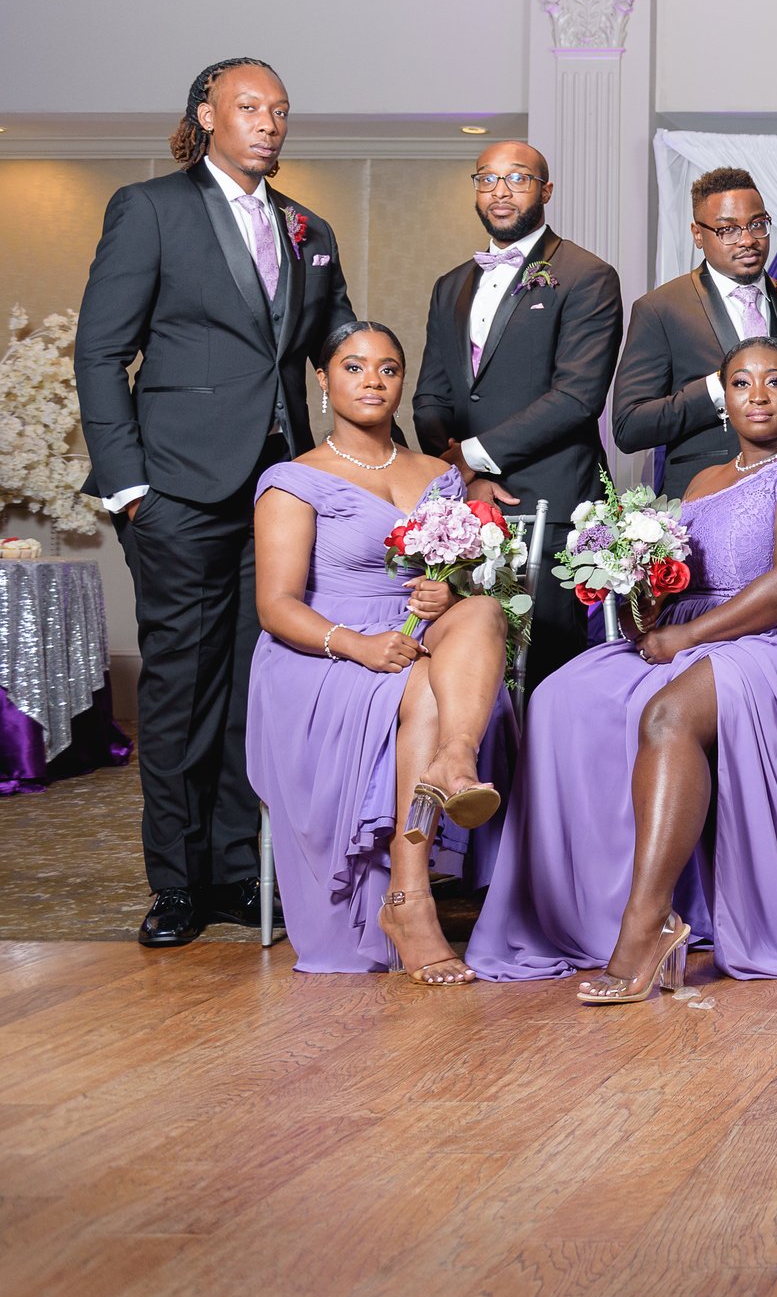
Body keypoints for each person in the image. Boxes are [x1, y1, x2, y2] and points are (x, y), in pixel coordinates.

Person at [468, 338, 777, 998]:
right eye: (742, 382)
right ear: (723, 401)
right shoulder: (701, 482)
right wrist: (638, 590)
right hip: (693, 634)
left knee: (667, 714)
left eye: (776, 381)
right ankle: (570, 909)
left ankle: (647, 923)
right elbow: (673, 581)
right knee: (559, 695)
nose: (758, 393)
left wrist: (686, 637)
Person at [74, 56, 357, 948]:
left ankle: (239, 872)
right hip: (178, 496)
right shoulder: (150, 209)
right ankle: (179, 883)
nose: (270, 122)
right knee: (180, 695)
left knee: (253, 691)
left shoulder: (309, 227)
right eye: (249, 107)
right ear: (207, 113)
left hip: (277, 496)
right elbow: (99, 353)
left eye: (280, 109)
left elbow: (340, 341)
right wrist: (130, 489)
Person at [246, 323, 517, 982]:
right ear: (324, 378)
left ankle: (454, 760)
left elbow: (466, 577)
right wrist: (360, 646)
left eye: (388, 369)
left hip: (425, 637)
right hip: (325, 651)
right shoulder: (294, 478)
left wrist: (445, 589)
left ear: (402, 380)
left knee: (482, 608)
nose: (372, 380)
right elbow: (276, 605)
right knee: (425, 691)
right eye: (354, 366)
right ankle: (410, 894)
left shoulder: (439, 476)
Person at [412, 141, 622, 688]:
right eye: (487, 179)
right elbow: (430, 395)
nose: (499, 192)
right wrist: (460, 475)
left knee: (546, 660)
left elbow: (577, 397)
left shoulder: (587, 275)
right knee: (464, 660)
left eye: (518, 179)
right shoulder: (450, 284)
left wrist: (472, 459)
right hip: (463, 506)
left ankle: (545, 775)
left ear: (546, 191)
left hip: (549, 499)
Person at [612, 167, 777, 498]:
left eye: (757, 225)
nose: (747, 240)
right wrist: (719, 387)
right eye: (727, 230)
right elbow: (631, 427)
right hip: (704, 499)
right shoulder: (661, 309)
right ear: (698, 234)